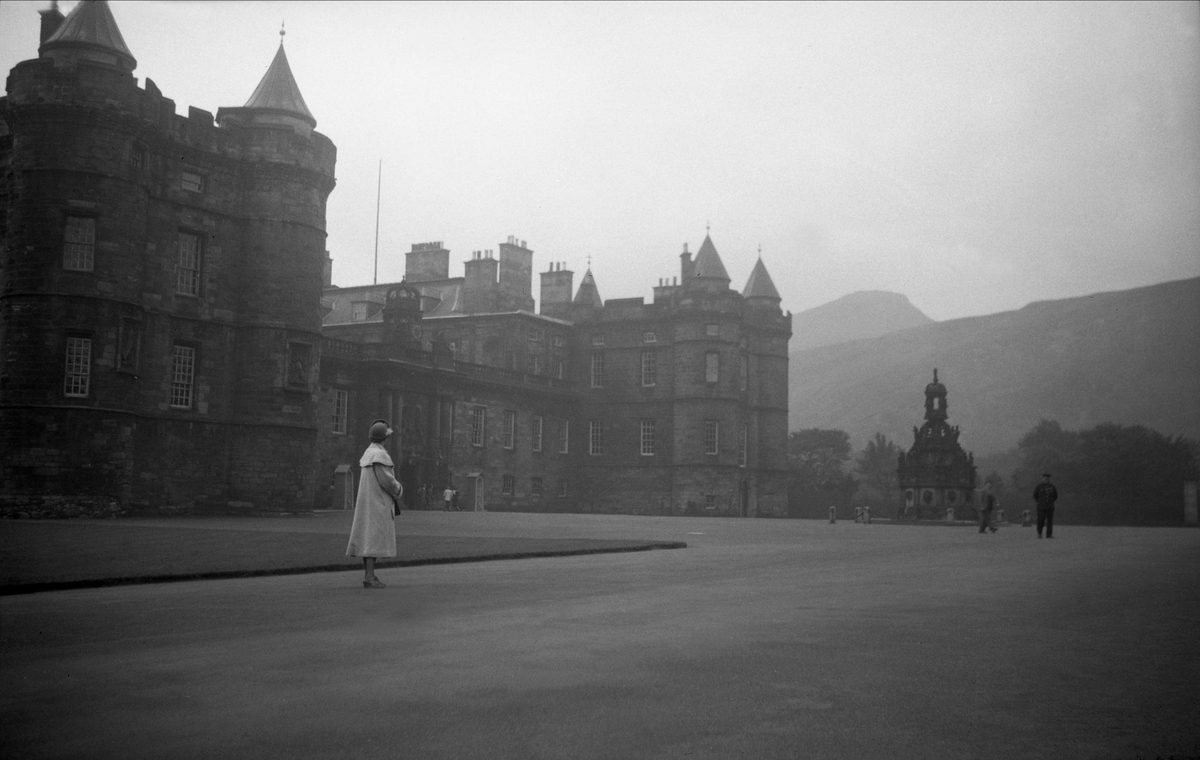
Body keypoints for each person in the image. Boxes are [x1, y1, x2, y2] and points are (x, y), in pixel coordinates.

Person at [346, 419, 402, 588]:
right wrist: (399, 489)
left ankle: (369, 575)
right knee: (373, 540)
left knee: (368, 539)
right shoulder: (380, 455)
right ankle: (370, 577)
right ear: (384, 438)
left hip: (369, 503)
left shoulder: (368, 453)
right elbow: (388, 481)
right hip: (378, 503)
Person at [1033, 472, 1059, 539]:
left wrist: (1050, 502)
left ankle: (1049, 534)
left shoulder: (1052, 487)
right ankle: (1039, 533)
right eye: (1045, 479)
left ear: (1049, 479)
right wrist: (1040, 502)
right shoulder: (1039, 487)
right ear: (1042, 479)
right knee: (1040, 520)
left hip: (1050, 506)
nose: (1046, 480)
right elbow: (1035, 495)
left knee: (1049, 521)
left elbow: (1055, 496)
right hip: (1041, 507)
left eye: (1047, 479)